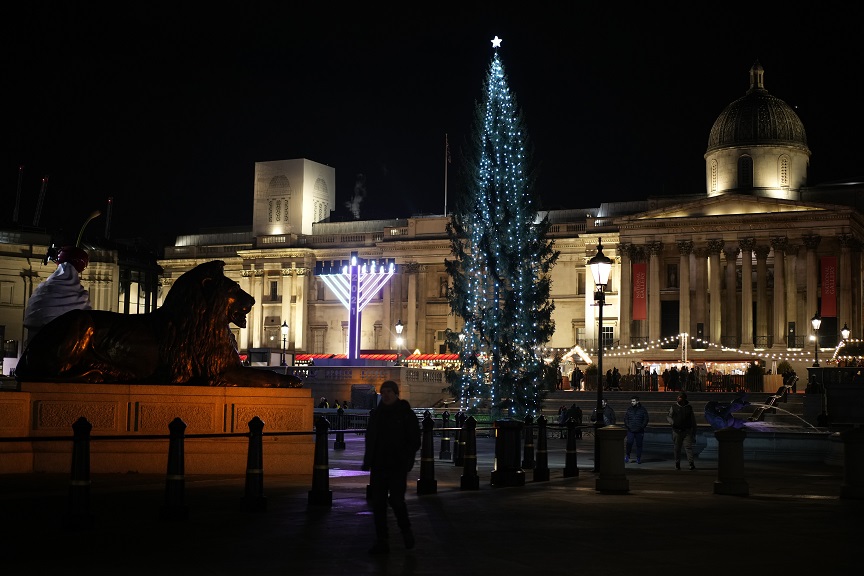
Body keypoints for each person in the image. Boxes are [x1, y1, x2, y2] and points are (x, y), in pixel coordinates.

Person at [361, 380, 421, 554]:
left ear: (396, 394)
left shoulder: (405, 414)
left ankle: (406, 531)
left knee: (396, 501)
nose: (385, 395)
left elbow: (414, 440)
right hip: (379, 465)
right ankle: (382, 540)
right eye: (383, 392)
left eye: (389, 391)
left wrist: (405, 458)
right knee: (378, 504)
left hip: (397, 465)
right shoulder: (377, 414)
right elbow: (370, 438)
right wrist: (368, 460)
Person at [666, 392, 697, 470]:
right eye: (678, 397)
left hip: (687, 431)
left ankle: (691, 463)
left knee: (688, 447)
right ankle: (677, 463)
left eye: (679, 397)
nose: (678, 398)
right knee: (677, 448)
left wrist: (694, 430)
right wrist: (672, 422)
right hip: (677, 431)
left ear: (683, 398)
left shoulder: (689, 407)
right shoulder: (674, 406)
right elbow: (669, 416)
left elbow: (692, 419)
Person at [624, 396, 649, 464]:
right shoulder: (629, 409)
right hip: (631, 430)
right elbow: (626, 418)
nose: (632, 403)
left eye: (633, 401)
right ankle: (627, 456)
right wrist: (628, 425)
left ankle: (638, 458)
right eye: (631, 401)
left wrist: (642, 427)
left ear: (637, 401)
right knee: (629, 443)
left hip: (639, 430)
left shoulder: (642, 409)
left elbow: (646, 419)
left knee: (639, 445)